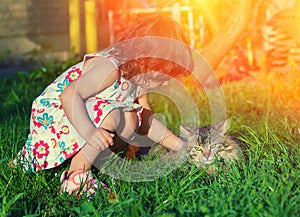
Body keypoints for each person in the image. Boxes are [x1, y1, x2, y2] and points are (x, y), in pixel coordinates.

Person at [15, 14, 194, 197]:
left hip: (85, 119)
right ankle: (76, 177)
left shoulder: (138, 81)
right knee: (114, 114)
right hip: (58, 118)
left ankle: (95, 161)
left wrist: (182, 147)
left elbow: (146, 123)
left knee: (132, 118)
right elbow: (69, 95)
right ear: (144, 62)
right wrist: (90, 132)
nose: (166, 84)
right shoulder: (109, 68)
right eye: (163, 77)